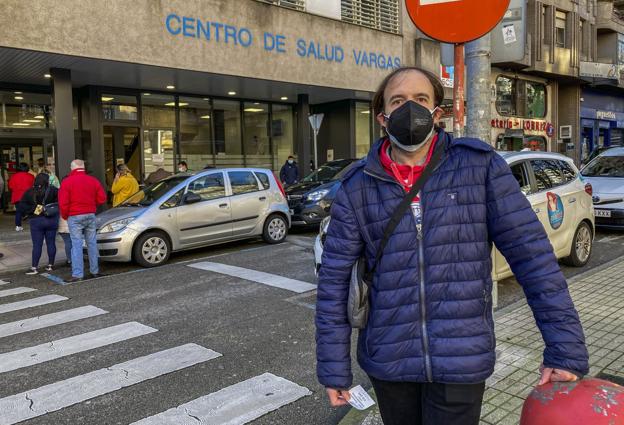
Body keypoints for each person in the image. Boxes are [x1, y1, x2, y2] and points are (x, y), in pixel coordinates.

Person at [315, 66, 589, 425]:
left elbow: (534, 260)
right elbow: (334, 283)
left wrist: (565, 349)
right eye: (398, 101)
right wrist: (334, 370)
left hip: (461, 357)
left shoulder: (479, 168)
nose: (409, 109)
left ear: (437, 113)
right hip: (390, 360)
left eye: (420, 99)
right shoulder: (357, 186)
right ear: (382, 118)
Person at [59, 159, 107, 282]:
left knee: (76, 245)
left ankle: (78, 274)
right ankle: (94, 271)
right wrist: (92, 205)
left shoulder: (67, 182)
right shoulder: (93, 180)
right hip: (90, 214)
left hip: (75, 215)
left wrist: (65, 216)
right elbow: (102, 198)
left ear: (72, 168)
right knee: (92, 243)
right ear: (83, 167)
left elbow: (63, 203)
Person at [19, 173, 59, 275]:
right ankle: (50, 265)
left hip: (36, 221)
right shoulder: (54, 190)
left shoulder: (29, 192)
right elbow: (60, 202)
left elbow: (22, 206)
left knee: (37, 245)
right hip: (51, 220)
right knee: (51, 243)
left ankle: (34, 267)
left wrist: (33, 210)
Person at [8, 162, 35, 231]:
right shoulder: (31, 176)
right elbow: (33, 186)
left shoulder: (14, 176)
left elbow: (11, 186)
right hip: (28, 196)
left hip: (17, 196)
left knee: (18, 211)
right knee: (32, 210)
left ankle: (18, 226)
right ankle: (33, 223)